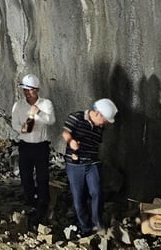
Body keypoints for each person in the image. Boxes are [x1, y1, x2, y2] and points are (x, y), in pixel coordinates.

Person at [62, 98, 118, 236]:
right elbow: (65, 132)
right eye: (105, 119)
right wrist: (71, 141)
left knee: (97, 192)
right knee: (78, 197)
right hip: (75, 165)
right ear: (98, 113)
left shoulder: (100, 127)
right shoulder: (76, 117)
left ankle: (97, 222)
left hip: (92, 162)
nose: (105, 123)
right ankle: (85, 228)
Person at [10, 74, 55, 229]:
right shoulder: (18, 105)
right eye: (25, 90)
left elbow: (51, 120)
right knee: (25, 174)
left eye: (30, 90)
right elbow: (17, 125)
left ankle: (43, 200)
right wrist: (29, 119)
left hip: (41, 145)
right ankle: (29, 199)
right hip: (25, 145)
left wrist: (38, 113)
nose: (27, 93)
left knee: (42, 175)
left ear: (37, 90)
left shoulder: (46, 104)